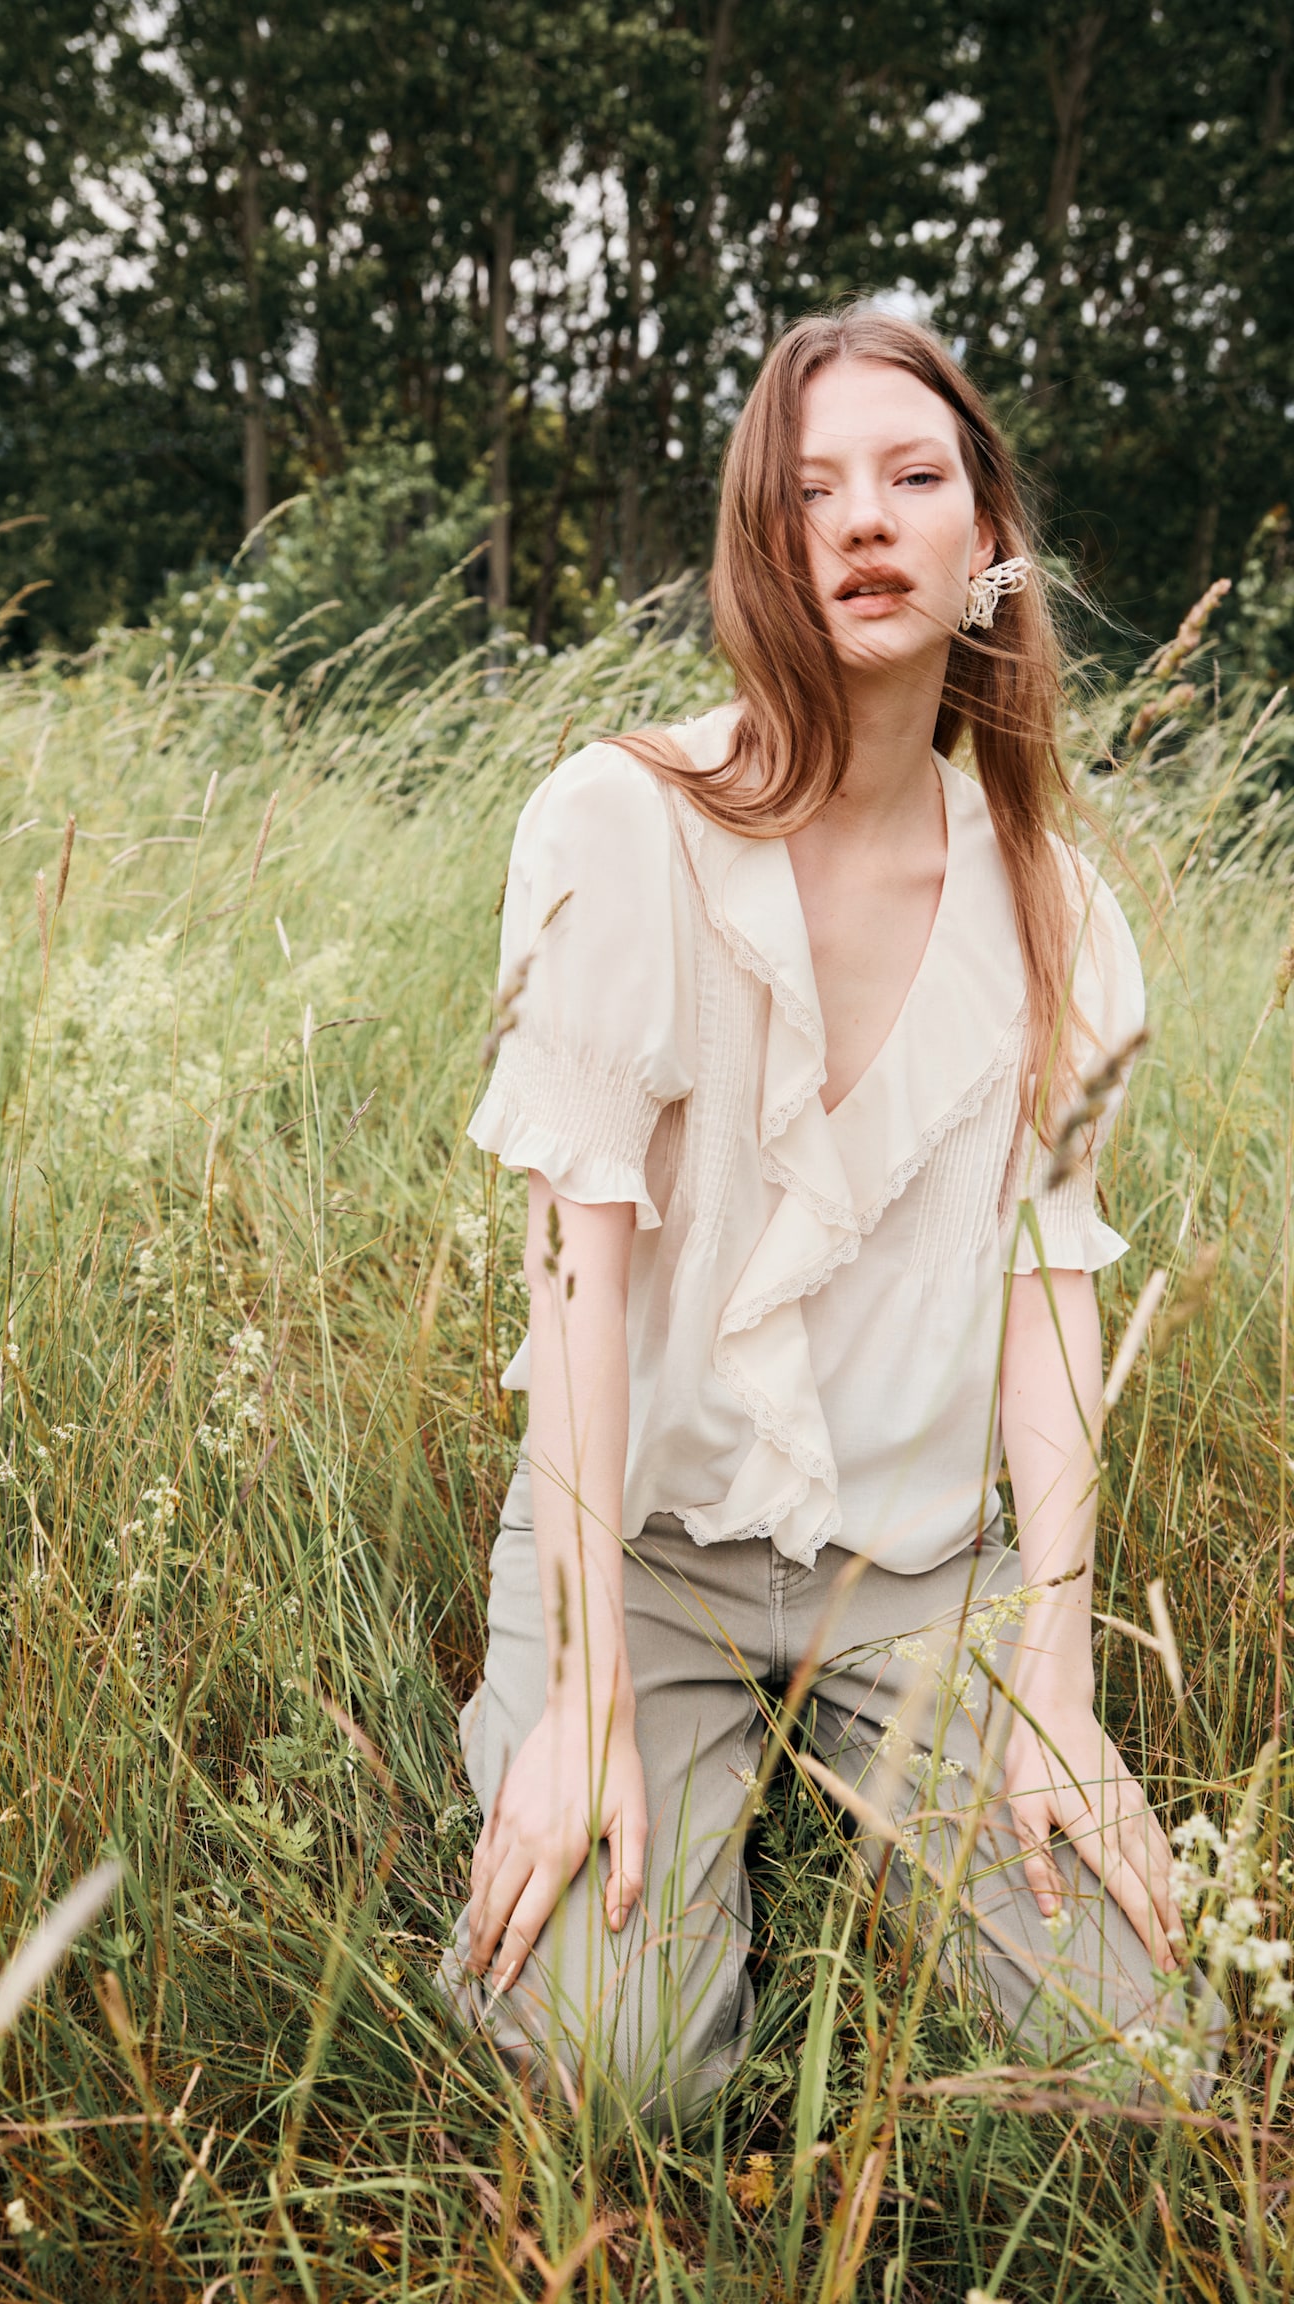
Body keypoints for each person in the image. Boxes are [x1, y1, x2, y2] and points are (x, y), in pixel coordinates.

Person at [439, 303, 1221, 2129]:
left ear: (985, 541)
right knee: (614, 2078)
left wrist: (1058, 1674)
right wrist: (584, 1688)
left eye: (912, 478)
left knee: (1134, 2069)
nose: (863, 518)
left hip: (918, 1570)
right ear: (760, 548)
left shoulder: (1066, 915)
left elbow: (1052, 1289)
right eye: (810, 492)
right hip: (645, 1547)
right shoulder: (619, 826)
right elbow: (573, 1271)